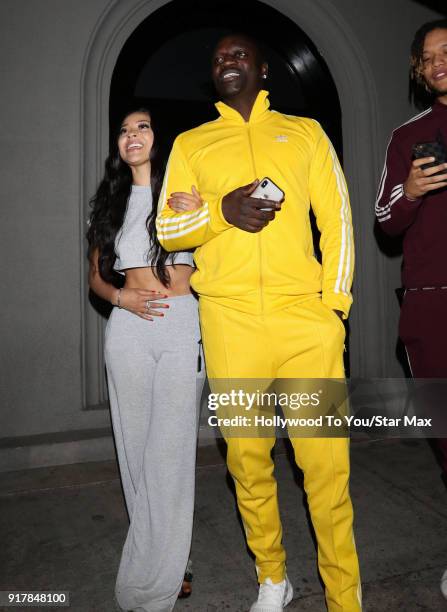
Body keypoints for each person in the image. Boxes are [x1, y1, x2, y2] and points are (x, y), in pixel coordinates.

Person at [157, 33, 361, 612]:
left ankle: (345, 598)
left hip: (306, 325)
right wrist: (220, 211)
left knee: (325, 468)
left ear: (263, 68)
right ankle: (274, 577)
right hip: (230, 322)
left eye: (239, 54)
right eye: (218, 56)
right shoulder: (193, 144)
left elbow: (338, 220)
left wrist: (334, 308)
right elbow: (168, 232)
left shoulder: (304, 133)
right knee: (247, 460)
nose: (226, 60)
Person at [87, 107, 205, 612]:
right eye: (124, 129)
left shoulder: (186, 191)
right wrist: (121, 299)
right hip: (128, 331)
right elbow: (95, 277)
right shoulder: (108, 203)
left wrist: (202, 210)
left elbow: (218, 254)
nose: (131, 136)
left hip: (181, 327)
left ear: (161, 139)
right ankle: (161, 559)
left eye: (143, 127)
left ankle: (166, 564)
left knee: (170, 455)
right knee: (134, 453)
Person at [375, 19, 447, 601]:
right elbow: (385, 220)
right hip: (432, 306)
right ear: (419, 72)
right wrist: (413, 192)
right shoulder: (408, 136)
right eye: (427, 57)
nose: (438, 61)